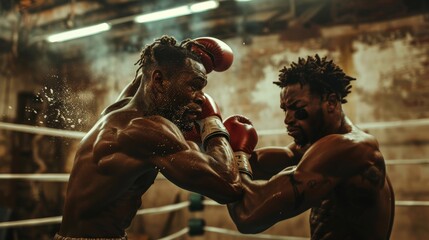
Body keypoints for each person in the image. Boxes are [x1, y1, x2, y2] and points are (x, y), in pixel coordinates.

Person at [55, 35, 245, 240]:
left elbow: (143, 78)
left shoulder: (120, 109)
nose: (202, 97)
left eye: (202, 89)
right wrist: (212, 122)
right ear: (159, 80)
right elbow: (229, 186)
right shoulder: (147, 130)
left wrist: (181, 53)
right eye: (194, 85)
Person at [224, 55, 395, 240]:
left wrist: (226, 145)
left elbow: (248, 214)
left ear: (330, 102)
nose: (287, 119)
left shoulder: (349, 148)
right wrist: (220, 145)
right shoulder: (314, 148)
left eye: (297, 108)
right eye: (285, 109)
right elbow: (258, 163)